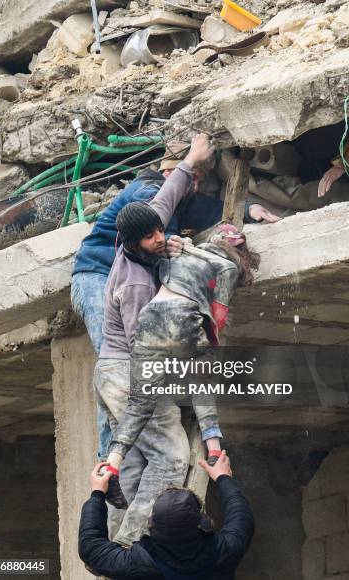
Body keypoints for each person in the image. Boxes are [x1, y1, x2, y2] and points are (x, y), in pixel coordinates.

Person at [71, 141, 277, 460]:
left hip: (133, 285)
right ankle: (106, 456)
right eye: (191, 180)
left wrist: (249, 210)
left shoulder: (180, 200)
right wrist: (176, 243)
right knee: (117, 366)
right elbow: (155, 216)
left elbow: (204, 208)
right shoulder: (145, 191)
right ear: (171, 174)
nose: (194, 188)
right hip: (97, 275)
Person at [94, 133, 216, 545]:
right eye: (150, 239)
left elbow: (167, 195)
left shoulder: (147, 228)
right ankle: (131, 543)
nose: (160, 239)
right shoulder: (135, 288)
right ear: (131, 245)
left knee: (133, 461)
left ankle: (112, 541)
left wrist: (191, 159)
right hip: (127, 371)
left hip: (116, 373)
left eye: (159, 232)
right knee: (171, 456)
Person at [97, 224, 259, 521]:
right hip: (180, 321)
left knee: (138, 410)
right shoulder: (222, 266)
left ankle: (113, 464)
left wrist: (185, 246)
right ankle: (211, 450)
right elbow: (222, 292)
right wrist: (214, 330)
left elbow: (158, 257)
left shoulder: (173, 255)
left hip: (148, 324)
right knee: (175, 448)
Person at [79, 451, 255, 580]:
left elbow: (90, 548)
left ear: (150, 526)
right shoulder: (226, 551)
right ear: (204, 522)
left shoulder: (140, 564)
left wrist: (97, 493)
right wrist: (223, 477)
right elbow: (240, 513)